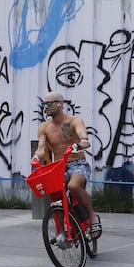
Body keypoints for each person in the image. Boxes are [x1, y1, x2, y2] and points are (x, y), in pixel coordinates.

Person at [32, 91, 102, 238]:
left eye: (48, 104)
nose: (45, 107)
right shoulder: (44, 128)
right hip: (59, 167)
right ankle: (61, 232)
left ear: (60, 104)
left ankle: (92, 217)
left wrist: (83, 142)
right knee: (55, 196)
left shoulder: (74, 121)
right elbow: (41, 148)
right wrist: (36, 157)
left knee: (73, 186)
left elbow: (83, 135)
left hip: (78, 164)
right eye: (43, 104)